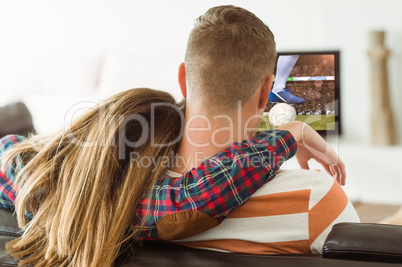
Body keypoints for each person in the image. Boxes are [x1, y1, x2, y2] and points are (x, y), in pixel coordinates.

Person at [0, 5, 356, 267]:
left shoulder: (84, 195)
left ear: (184, 79)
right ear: (266, 93)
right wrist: (290, 133)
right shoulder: (316, 199)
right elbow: (189, 203)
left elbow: (11, 155)